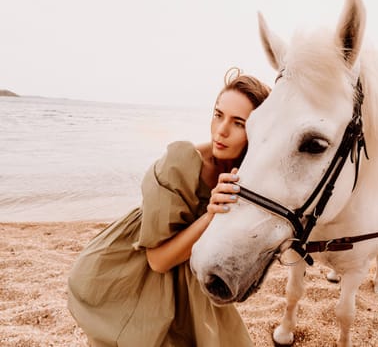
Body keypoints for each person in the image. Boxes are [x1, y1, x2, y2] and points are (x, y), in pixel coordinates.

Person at [67, 67, 271, 347]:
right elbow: (158, 260)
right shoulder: (180, 164)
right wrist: (211, 214)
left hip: (190, 273)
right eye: (218, 114)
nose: (221, 131)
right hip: (135, 268)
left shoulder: (249, 171)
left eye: (238, 123)